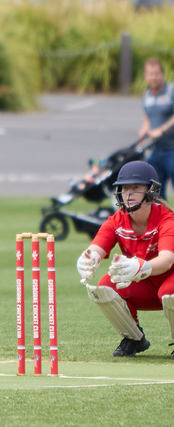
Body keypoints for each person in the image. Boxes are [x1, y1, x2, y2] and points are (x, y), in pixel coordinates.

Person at [76, 160, 174, 359]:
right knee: (104, 286)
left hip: (169, 282)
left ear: (151, 191)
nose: (128, 194)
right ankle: (133, 338)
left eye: (136, 187)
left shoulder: (167, 220)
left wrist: (140, 267)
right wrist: (88, 259)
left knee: (169, 292)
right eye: (124, 188)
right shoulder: (116, 220)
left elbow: (167, 260)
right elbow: (96, 247)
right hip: (146, 287)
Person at [138, 58, 174, 200]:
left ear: (162, 75)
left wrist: (162, 130)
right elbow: (148, 117)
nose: (153, 77)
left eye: (156, 74)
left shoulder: (171, 91)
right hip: (156, 151)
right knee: (154, 193)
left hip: (172, 150)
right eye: (150, 74)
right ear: (146, 76)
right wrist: (144, 130)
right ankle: (163, 221)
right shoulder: (146, 96)